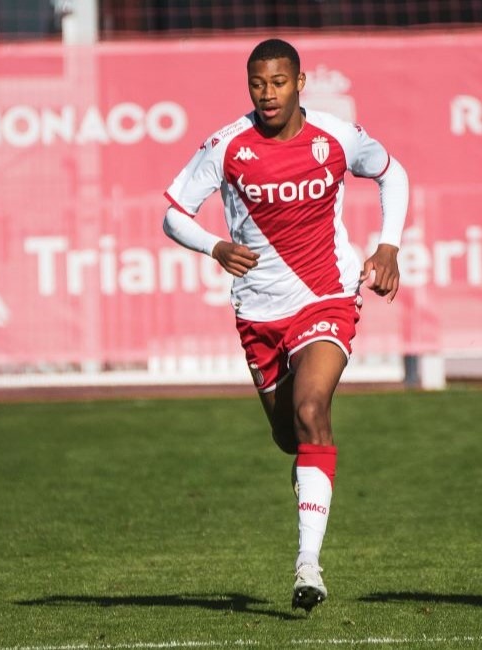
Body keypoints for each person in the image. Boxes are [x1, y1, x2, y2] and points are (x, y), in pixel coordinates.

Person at [162, 38, 408, 612]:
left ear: (300, 83)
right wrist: (215, 245)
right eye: (257, 83)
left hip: (326, 297)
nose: (267, 93)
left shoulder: (336, 136)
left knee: (310, 410)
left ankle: (308, 566)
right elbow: (174, 213)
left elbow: (394, 174)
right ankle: (310, 487)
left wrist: (389, 244)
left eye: (278, 82)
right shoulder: (226, 146)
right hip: (259, 313)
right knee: (288, 439)